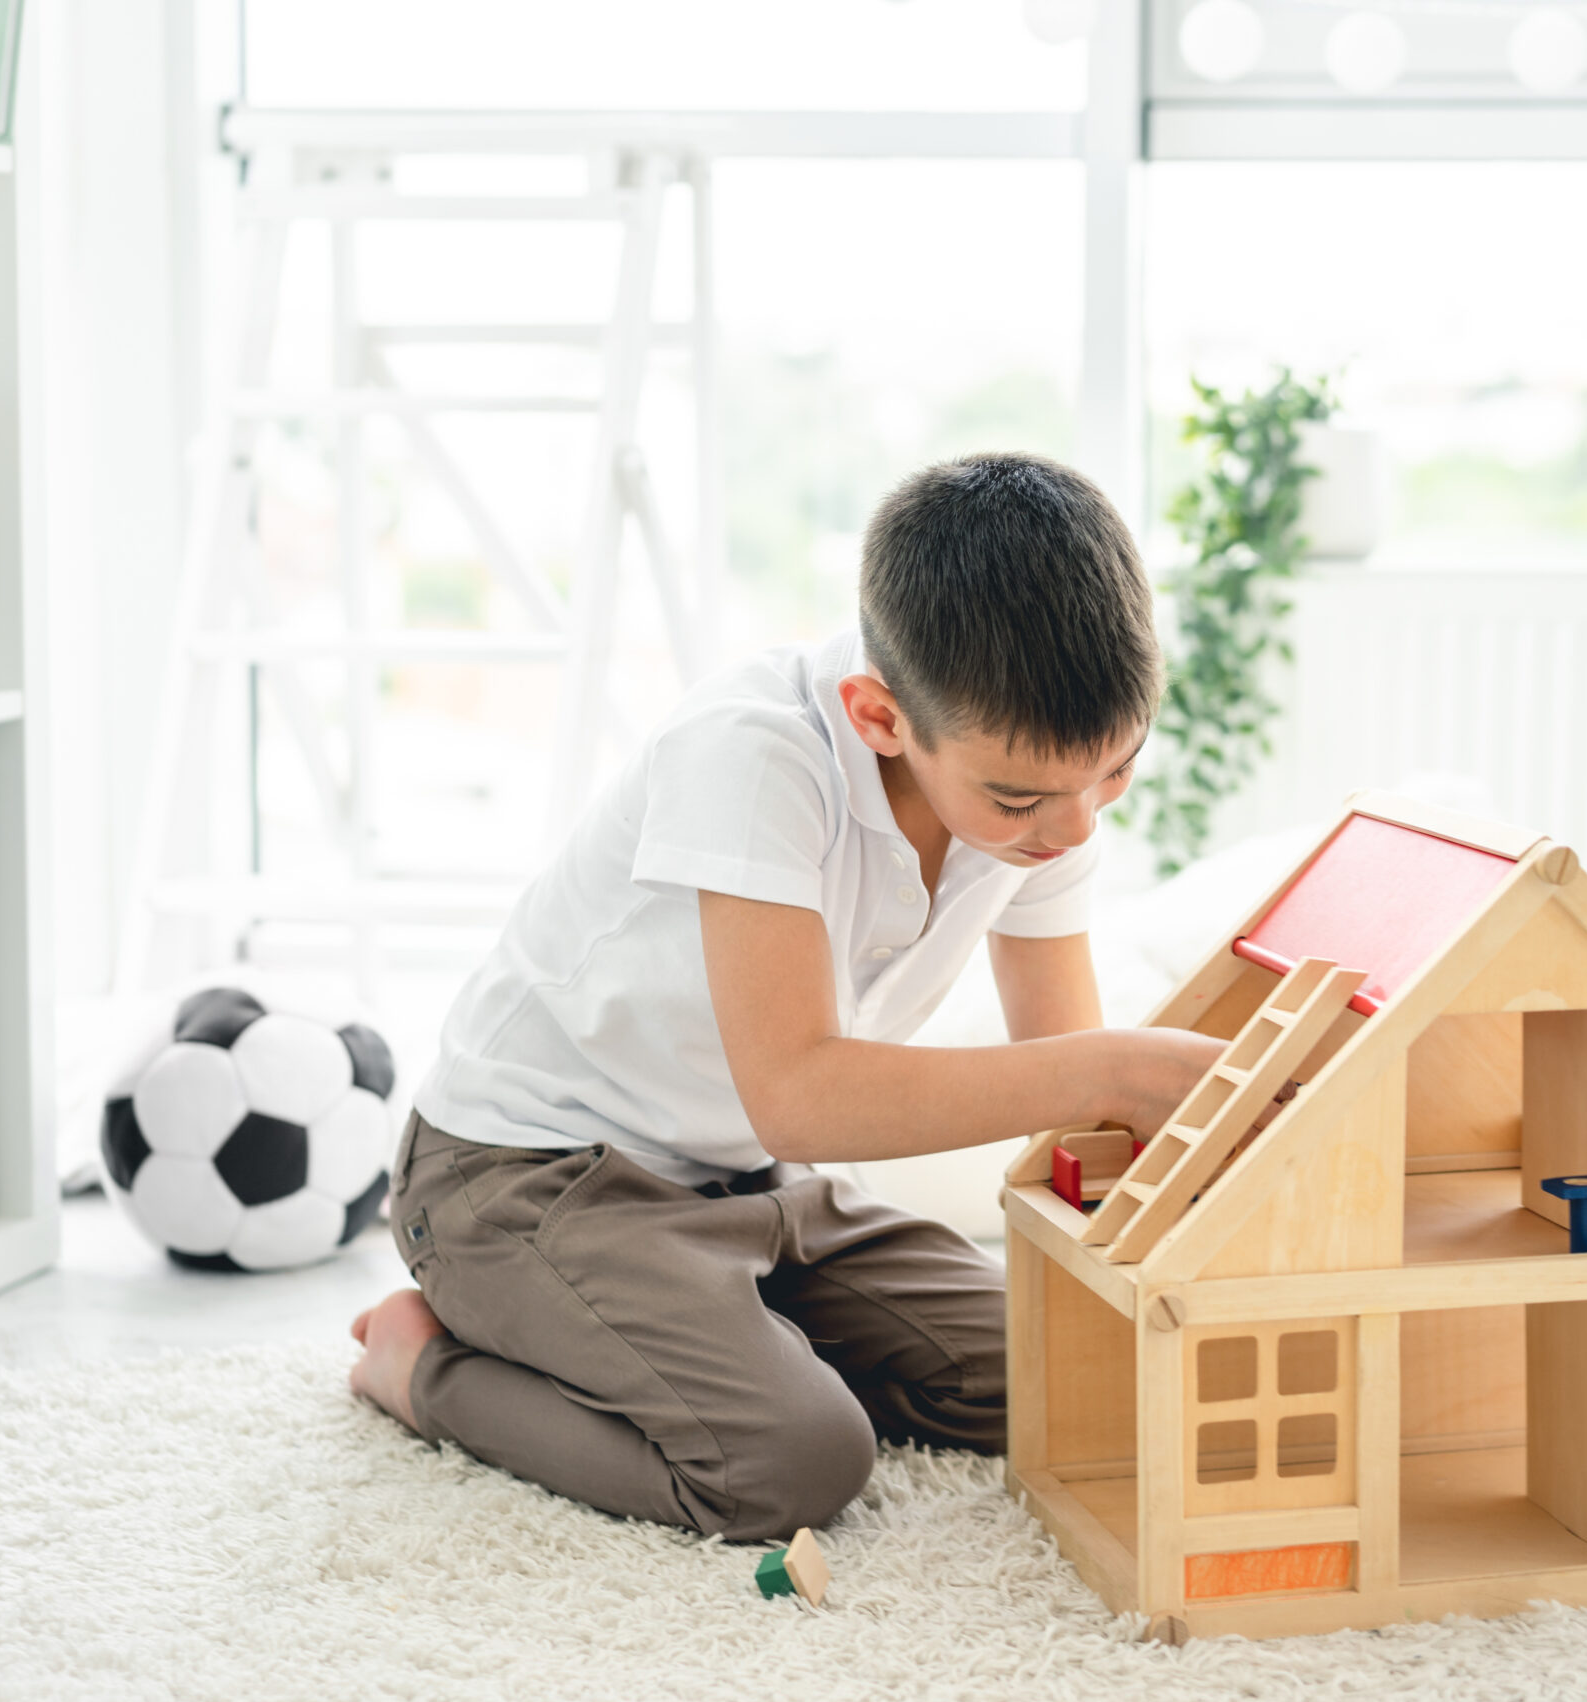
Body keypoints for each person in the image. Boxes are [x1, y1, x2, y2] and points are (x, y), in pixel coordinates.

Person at [348, 452, 1226, 1542]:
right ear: (878, 716)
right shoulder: (752, 755)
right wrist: (1118, 1067)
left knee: (1070, 1379)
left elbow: (1069, 1086)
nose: (1076, 827)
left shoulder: (1047, 800)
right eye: (1022, 798)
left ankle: (698, 1340)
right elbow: (800, 1094)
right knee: (791, 1462)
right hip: (523, 1179)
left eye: (1116, 774)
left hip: (740, 1183)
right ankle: (423, 1363)